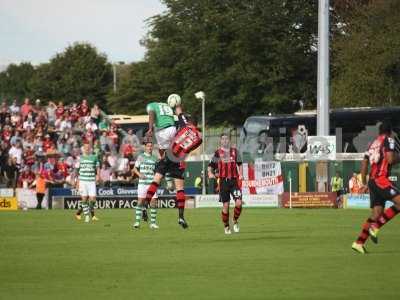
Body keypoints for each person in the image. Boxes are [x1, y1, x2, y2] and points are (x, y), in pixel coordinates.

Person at [352, 122, 400, 254]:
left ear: (379, 132)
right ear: (390, 132)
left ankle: (359, 243)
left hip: (373, 181)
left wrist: (364, 183)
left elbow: (364, 163)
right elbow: (390, 160)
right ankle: (376, 226)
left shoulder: (372, 143)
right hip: (381, 179)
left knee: (376, 214)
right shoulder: (389, 140)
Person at [144, 95, 189, 229]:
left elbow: (151, 113)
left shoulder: (152, 105)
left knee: (157, 178)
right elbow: (181, 120)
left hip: (163, 132)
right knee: (180, 188)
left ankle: (145, 206)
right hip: (174, 134)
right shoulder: (169, 107)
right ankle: (181, 217)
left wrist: (151, 127)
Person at [208, 133, 243, 235]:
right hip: (223, 182)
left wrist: (240, 174)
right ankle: (226, 226)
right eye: (223, 139)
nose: (225, 140)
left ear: (229, 141)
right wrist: (210, 173)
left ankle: (235, 221)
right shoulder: (217, 153)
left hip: (234, 181)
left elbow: (240, 164)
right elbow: (210, 166)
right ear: (220, 141)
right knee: (226, 206)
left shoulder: (235, 152)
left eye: (226, 139)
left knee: (239, 203)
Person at [132, 139, 159, 229]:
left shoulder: (155, 159)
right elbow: (134, 169)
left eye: (151, 146)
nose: (149, 148)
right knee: (140, 202)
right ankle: (137, 222)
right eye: (148, 146)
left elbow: (158, 172)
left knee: (153, 202)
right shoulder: (141, 157)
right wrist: (140, 174)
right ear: (145, 147)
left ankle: (153, 223)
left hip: (152, 184)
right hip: (142, 184)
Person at [75, 143, 100, 223]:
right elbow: (77, 171)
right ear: (83, 149)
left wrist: (98, 176)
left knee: (93, 200)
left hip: (91, 181)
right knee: (84, 200)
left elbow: (97, 167)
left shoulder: (94, 157)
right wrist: (77, 182)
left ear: (90, 149)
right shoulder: (80, 158)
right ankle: (87, 216)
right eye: (85, 147)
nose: (87, 149)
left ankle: (78, 213)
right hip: (83, 181)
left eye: (88, 147)